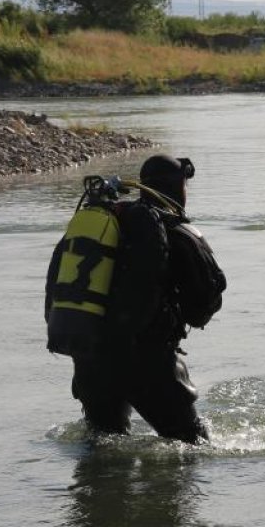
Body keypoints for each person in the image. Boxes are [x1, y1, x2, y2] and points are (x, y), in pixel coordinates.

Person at [45, 154, 227, 444]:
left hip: (91, 365)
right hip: (151, 366)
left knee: (101, 452)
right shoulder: (178, 232)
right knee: (191, 448)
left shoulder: (99, 227)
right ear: (180, 188)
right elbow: (201, 309)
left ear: (143, 186)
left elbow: (59, 291)